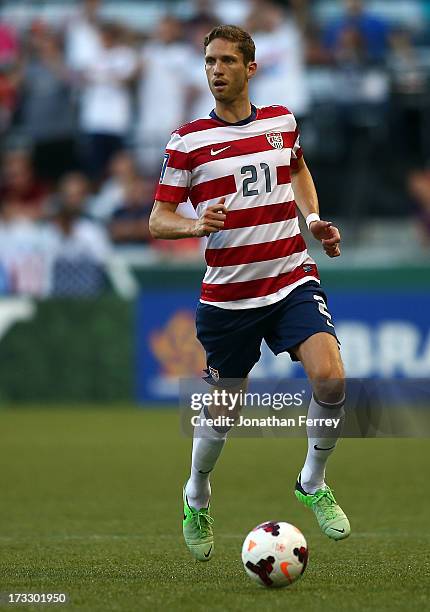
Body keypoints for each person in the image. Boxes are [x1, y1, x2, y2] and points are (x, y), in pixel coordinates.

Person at [149, 25, 350, 563]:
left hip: (290, 278)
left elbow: (298, 169)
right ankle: (196, 494)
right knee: (223, 413)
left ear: (250, 68)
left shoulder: (281, 121)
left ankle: (311, 482)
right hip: (228, 296)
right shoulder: (187, 141)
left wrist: (312, 218)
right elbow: (158, 219)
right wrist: (194, 226)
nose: (215, 70)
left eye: (226, 61)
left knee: (331, 378)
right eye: (209, 61)